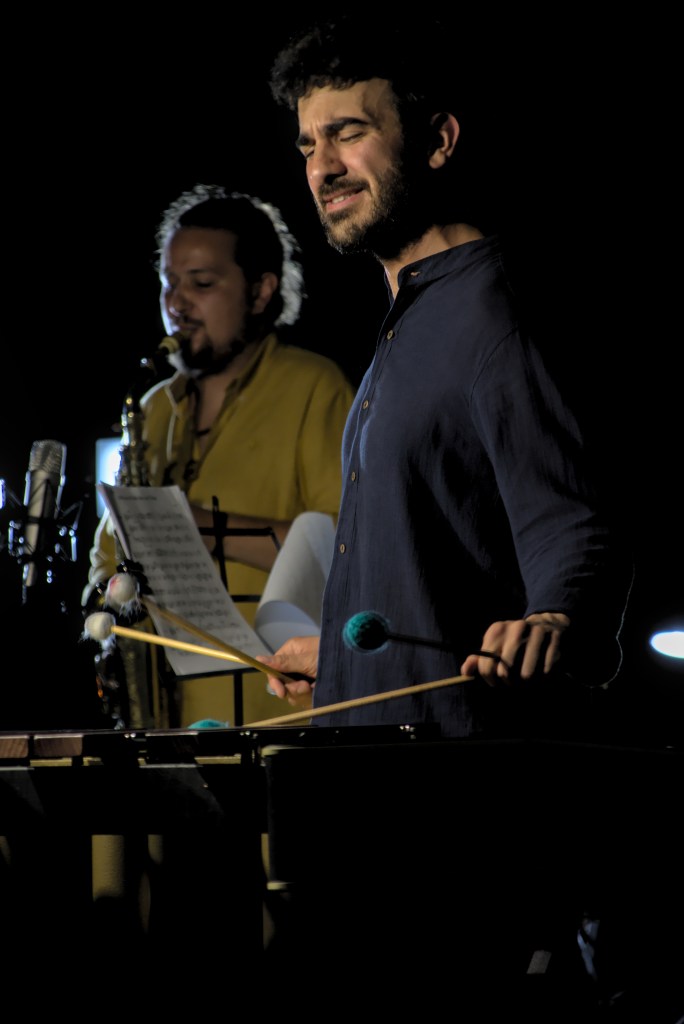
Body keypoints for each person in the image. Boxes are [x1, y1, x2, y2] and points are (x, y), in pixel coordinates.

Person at [256, 16, 637, 1013]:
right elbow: (435, 539)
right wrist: (347, 659)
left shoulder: (494, 311)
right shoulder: (405, 319)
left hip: (456, 819)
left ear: (436, 140)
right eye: (308, 144)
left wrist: (557, 614)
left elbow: (575, 524)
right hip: (373, 798)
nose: (322, 166)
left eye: (349, 132)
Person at [82, 184, 355, 729]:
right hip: (167, 722)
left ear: (260, 291)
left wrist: (192, 529)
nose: (176, 304)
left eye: (202, 284)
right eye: (169, 283)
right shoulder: (153, 410)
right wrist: (106, 597)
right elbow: (107, 557)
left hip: (278, 714)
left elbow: (344, 548)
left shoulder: (314, 386)